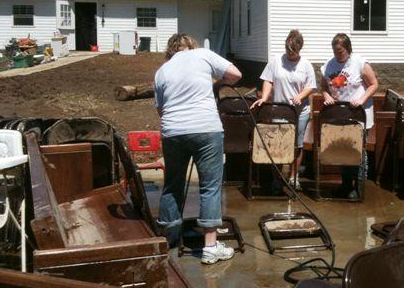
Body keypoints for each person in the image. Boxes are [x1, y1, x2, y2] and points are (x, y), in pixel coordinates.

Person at [154, 33, 242, 265]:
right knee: (210, 186)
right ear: (190, 46)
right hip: (205, 128)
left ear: (171, 50)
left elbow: (161, 110)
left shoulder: (162, 71)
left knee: (172, 184)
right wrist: (218, 83)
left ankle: (169, 240)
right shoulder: (202, 54)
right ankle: (211, 247)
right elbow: (235, 74)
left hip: (173, 131)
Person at [251, 29, 316, 188]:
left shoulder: (306, 64)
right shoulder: (276, 61)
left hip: (300, 112)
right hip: (279, 110)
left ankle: (294, 177)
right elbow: (268, 80)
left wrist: (300, 96)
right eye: (288, 50)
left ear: (299, 49)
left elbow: (311, 87)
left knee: (297, 145)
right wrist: (265, 98)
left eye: (293, 52)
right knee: (278, 144)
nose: (290, 54)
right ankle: (277, 178)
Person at [321, 33, 379, 199]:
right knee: (344, 148)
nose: (338, 55)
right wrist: (327, 96)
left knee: (358, 150)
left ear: (348, 49)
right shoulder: (328, 66)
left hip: (358, 114)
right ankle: (346, 185)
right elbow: (323, 86)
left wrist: (361, 99)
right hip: (340, 114)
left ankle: (359, 186)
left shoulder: (359, 63)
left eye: (341, 52)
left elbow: (374, 84)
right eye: (335, 51)